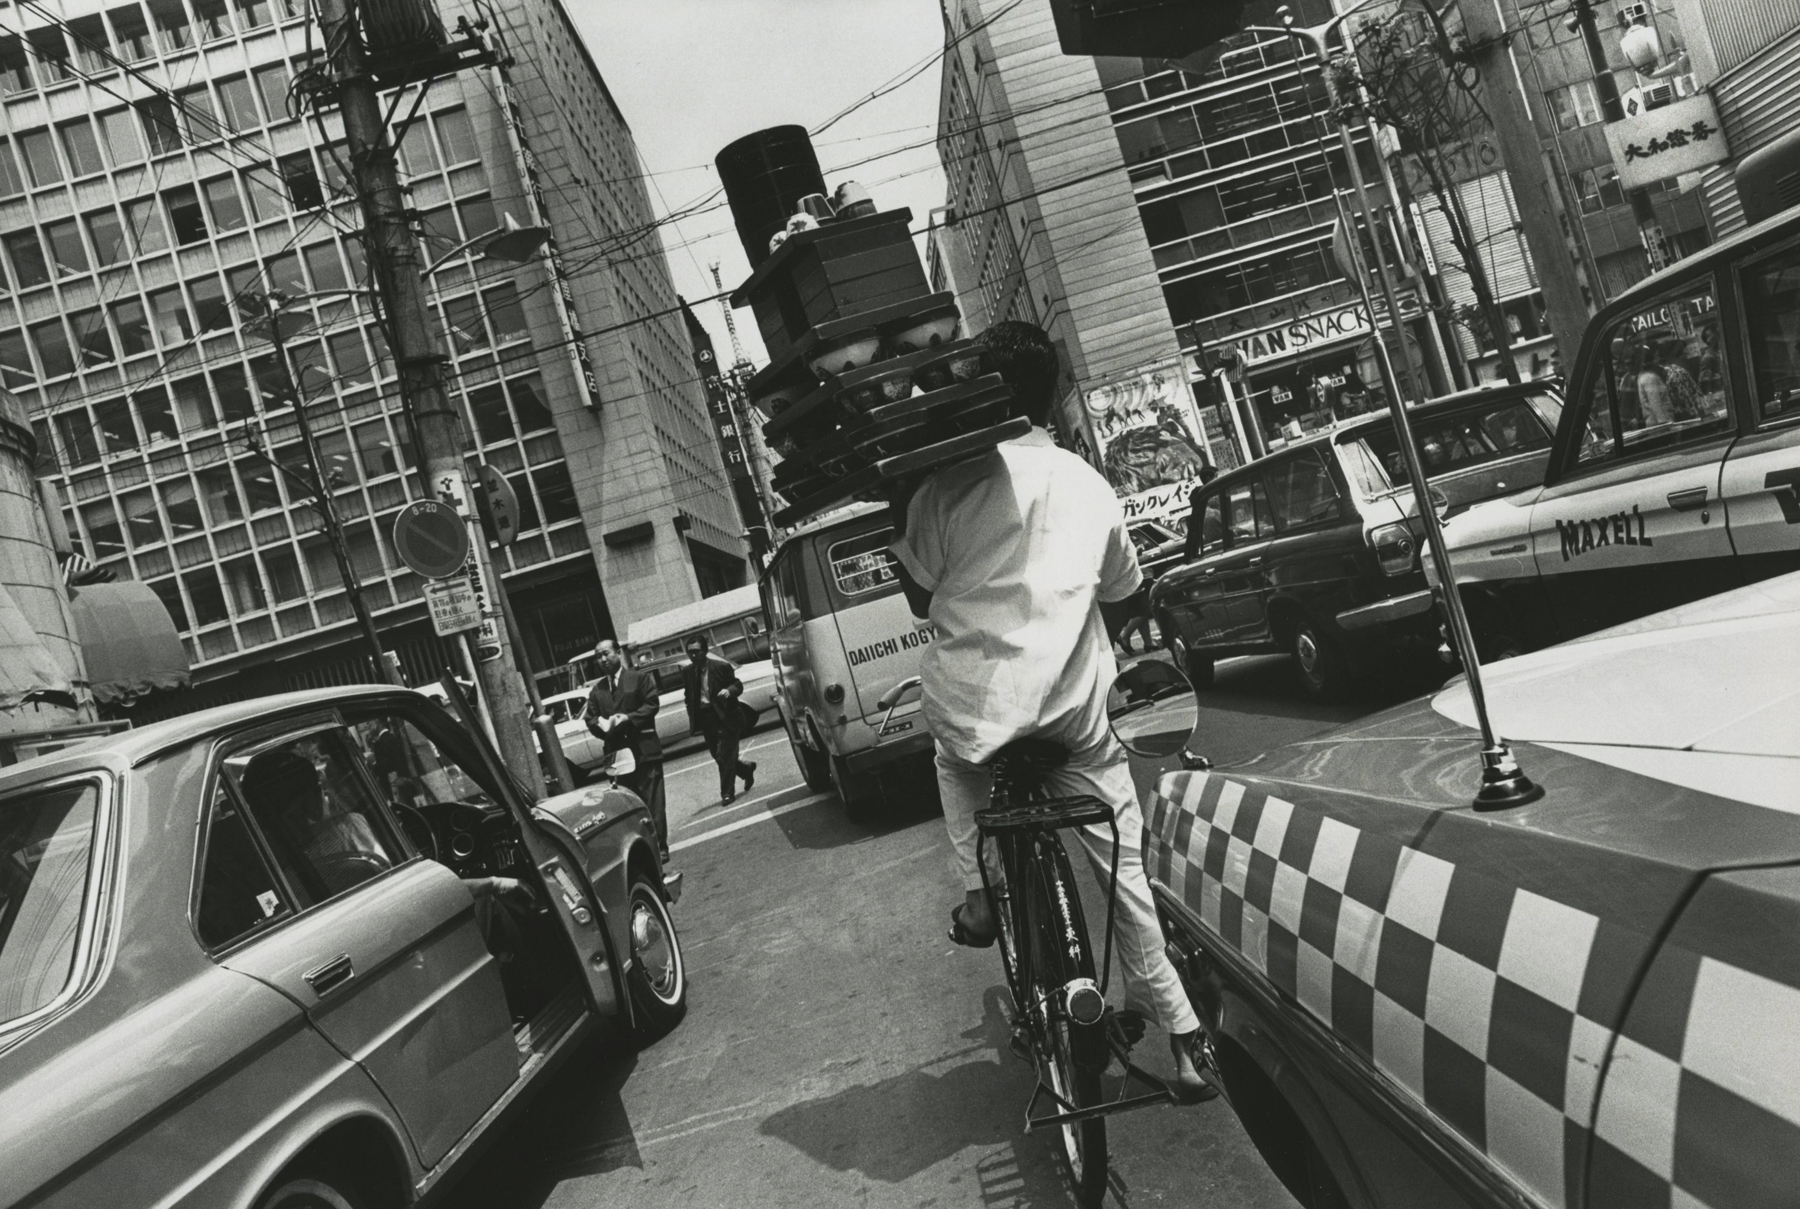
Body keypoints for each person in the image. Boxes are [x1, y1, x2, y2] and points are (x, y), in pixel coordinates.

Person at [887, 319, 1216, 1103]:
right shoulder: (1086, 481)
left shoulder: (941, 487)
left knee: (952, 759)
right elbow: (1126, 592)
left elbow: (919, 595)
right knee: (1123, 867)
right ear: (1053, 392)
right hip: (1077, 712)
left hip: (979, 718)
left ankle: (977, 894)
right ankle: (1184, 1042)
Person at [585, 639, 669, 861]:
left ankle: (660, 846)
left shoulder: (638, 678)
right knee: (627, 805)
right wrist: (601, 726)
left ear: (618, 653)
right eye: (598, 657)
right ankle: (640, 848)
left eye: (606, 654)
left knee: (653, 802)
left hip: (643, 749)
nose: (603, 660)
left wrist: (629, 718)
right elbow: (590, 718)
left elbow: (651, 704)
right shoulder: (597, 690)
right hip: (618, 756)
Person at [681, 634, 757, 804]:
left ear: (705, 651)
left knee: (724, 756)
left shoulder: (721, 667)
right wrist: (691, 712)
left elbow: (738, 685)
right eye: (690, 652)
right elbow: (689, 696)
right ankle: (746, 769)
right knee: (718, 755)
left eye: (696, 651)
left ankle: (727, 793)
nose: (693, 655)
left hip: (725, 715)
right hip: (706, 718)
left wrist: (729, 691)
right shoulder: (688, 672)